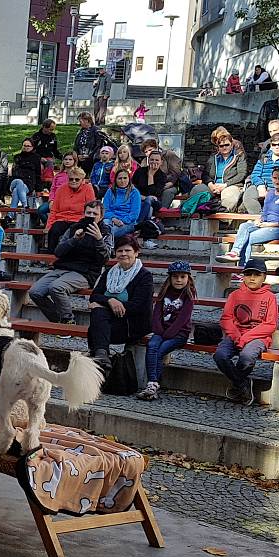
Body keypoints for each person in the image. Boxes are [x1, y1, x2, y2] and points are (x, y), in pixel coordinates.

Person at [31, 201, 111, 324]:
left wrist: (99, 239)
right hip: (63, 268)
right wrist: (74, 240)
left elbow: (105, 259)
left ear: (101, 217)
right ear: (84, 214)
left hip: (86, 272)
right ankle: (59, 320)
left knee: (56, 287)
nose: (91, 215)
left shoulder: (106, 232)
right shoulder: (74, 228)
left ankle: (68, 320)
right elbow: (58, 252)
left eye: (95, 213)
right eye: (88, 212)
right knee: (35, 292)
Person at [214, 258, 277, 406]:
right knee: (220, 355)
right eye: (248, 274)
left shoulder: (270, 297)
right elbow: (226, 318)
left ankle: (238, 385)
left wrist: (246, 337)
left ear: (264, 277)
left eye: (257, 275)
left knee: (247, 356)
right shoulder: (235, 295)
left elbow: (270, 324)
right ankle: (243, 382)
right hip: (235, 334)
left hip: (258, 337)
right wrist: (237, 336)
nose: (252, 278)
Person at [87, 235, 153, 369]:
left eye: (127, 250)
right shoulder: (109, 273)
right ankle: (102, 357)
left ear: (136, 252)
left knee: (97, 318)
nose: (123, 254)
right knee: (98, 316)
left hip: (133, 324)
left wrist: (106, 304)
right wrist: (110, 300)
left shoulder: (144, 276)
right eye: (120, 251)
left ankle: (100, 357)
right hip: (111, 322)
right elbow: (94, 296)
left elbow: (137, 306)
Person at [137, 261, 196, 401]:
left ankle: (152, 385)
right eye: (175, 277)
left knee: (159, 350)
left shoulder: (188, 295)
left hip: (179, 334)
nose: (179, 280)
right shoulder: (165, 292)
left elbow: (183, 318)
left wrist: (168, 334)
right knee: (151, 346)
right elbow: (156, 313)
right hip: (161, 331)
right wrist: (158, 330)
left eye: (182, 277)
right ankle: (153, 383)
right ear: (170, 278)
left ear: (188, 278)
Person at [217, 166, 279, 267]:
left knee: (249, 238)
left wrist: (270, 225)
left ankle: (242, 268)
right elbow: (264, 213)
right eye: (274, 178)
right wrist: (259, 221)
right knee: (244, 226)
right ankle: (235, 253)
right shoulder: (270, 193)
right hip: (265, 225)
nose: (277, 181)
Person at [189, 127, 248, 212]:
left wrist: (225, 185)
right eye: (221, 146)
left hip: (231, 185)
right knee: (197, 190)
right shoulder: (214, 158)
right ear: (218, 147)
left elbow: (242, 174)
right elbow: (205, 174)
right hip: (214, 185)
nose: (224, 147)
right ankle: (202, 214)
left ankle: (224, 220)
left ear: (231, 144)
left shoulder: (239, 156)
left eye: (227, 145)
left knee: (229, 196)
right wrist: (210, 184)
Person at [45, 166, 95, 251]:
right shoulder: (61, 189)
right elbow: (54, 210)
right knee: (54, 231)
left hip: (79, 220)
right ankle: (51, 257)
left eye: (77, 179)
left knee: (74, 232)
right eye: (71, 179)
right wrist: (49, 225)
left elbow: (91, 208)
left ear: (82, 180)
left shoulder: (88, 189)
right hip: (62, 219)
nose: (74, 181)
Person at [103, 169, 145, 239]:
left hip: (127, 222)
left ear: (129, 179)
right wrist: (114, 219)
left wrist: (121, 221)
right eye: (120, 178)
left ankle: (106, 248)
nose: (122, 181)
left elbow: (134, 215)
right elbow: (104, 210)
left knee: (110, 232)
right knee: (105, 226)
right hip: (112, 219)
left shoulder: (134, 192)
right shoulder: (110, 191)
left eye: (125, 178)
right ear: (115, 180)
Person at [140, 138, 182, 208]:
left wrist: (171, 182)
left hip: (169, 184)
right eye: (146, 152)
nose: (149, 153)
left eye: (150, 150)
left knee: (167, 192)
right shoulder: (144, 161)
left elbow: (176, 171)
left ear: (156, 148)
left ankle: (161, 213)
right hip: (152, 186)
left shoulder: (168, 155)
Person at [8, 138, 42, 222]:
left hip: (28, 184)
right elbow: (13, 171)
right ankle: (25, 205)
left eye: (28, 146)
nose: (26, 147)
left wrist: (38, 189)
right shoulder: (17, 157)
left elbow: (38, 174)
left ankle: (10, 216)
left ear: (32, 147)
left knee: (16, 191)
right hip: (15, 181)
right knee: (19, 182)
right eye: (24, 145)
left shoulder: (36, 158)